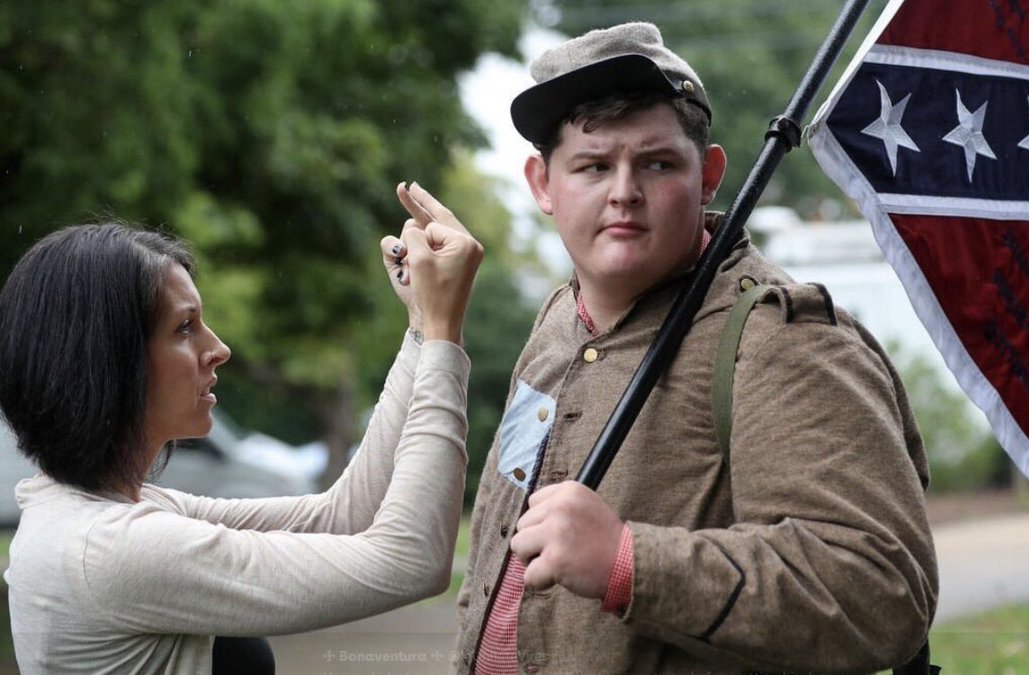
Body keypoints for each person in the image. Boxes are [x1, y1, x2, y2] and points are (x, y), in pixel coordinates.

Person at [451, 22, 938, 674]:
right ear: (542, 183)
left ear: (708, 176)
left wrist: (627, 562)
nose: (623, 192)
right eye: (593, 166)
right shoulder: (558, 320)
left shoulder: (782, 338)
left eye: (657, 164)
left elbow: (882, 593)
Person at [0, 183, 483, 674]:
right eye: (184, 327)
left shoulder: (103, 514)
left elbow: (347, 516)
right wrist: (443, 333)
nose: (219, 349)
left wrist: (423, 323)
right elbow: (409, 561)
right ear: (108, 360)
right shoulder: (110, 551)